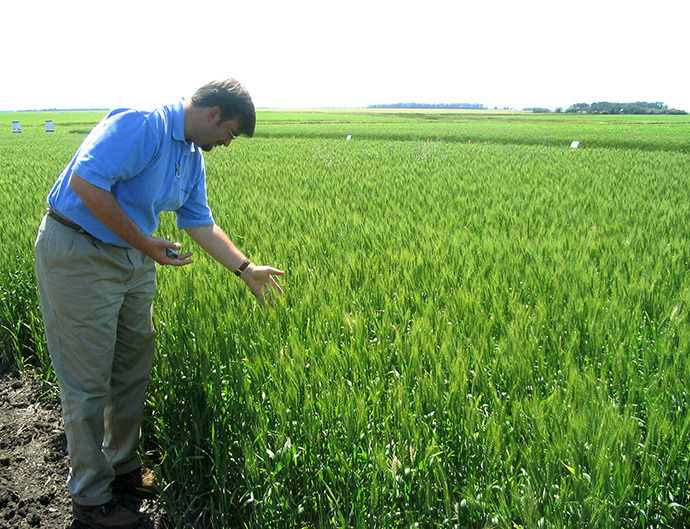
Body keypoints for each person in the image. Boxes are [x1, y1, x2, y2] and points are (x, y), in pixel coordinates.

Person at [34, 78, 284, 529]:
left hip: (134, 259)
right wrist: (144, 242)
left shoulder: (190, 158)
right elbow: (86, 183)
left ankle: (122, 468)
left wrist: (246, 270)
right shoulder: (141, 124)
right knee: (87, 379)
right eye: (227, 134)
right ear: (213, 115)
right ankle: (91, 499)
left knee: (131, 367)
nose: (224, 144)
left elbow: (199, 221)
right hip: (79, 252)